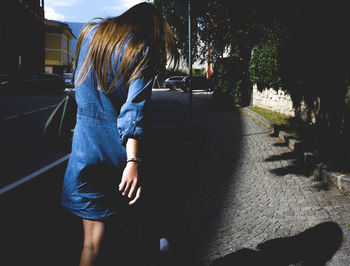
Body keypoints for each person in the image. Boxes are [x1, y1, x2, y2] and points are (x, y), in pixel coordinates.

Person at [60, 3, 179, 266]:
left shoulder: (90, 34)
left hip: (84, 152)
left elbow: (80, 88)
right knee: (141, 236)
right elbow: (133, 112)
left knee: (91, 244)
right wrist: (133, 162)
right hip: (119, 157)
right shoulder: (142, 50)